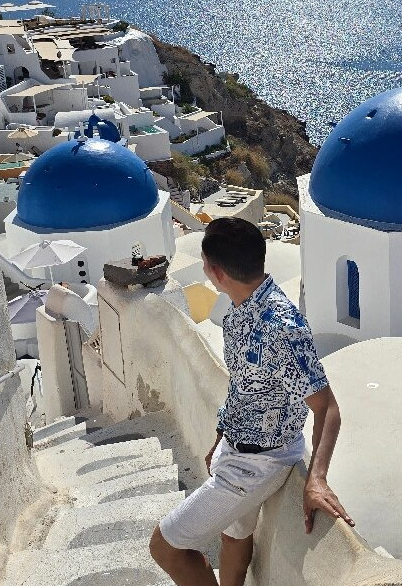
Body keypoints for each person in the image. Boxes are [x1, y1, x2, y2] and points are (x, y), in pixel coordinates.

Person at [150, 217, 353, 585]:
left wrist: (317, 479)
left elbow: (327, 408)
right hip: (237, 448)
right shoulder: (240, 310)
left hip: (259, 464)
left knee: (165, 547)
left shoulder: (281, 327)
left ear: (216, 272)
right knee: (233, 537)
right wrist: (221, 436)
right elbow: (243, 385)